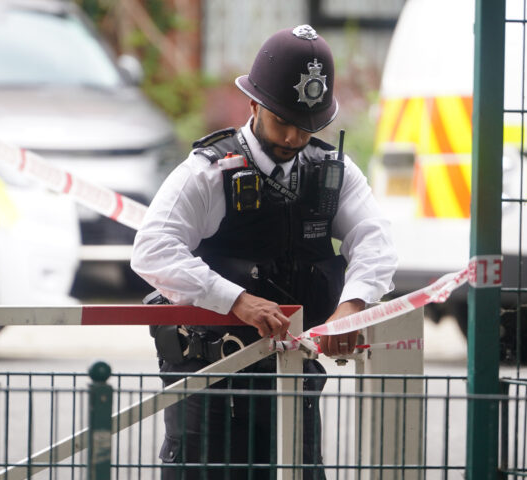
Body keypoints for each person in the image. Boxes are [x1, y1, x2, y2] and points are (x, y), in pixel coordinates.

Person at [131, 24, 397, 480]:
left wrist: (352, 307)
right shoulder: (209, 173)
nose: (295, 138)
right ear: (253, 104)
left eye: (309, 125)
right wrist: (235, 299)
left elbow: (375, 241)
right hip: (209, 379)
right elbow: (152, 249)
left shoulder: (331, 172)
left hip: (293, 373)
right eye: (284, 121)